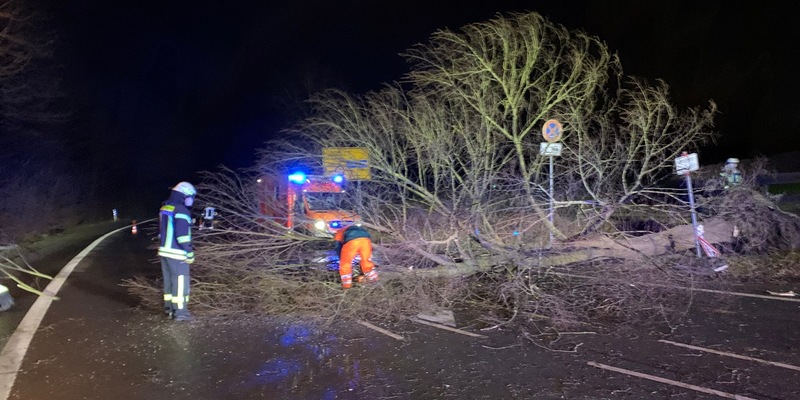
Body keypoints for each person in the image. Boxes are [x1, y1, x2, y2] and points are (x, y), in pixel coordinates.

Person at [158, 181, 197, 321]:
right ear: (184, 195)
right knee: (180, 282)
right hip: (177, 253)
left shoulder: (165, 207)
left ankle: (169, 309)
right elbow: (182, 235)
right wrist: (189, 252)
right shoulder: (181, 210)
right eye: (191, 196)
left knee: (169, 281)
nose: (191, 199)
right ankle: (181, 312)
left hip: (164, 252)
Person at [334, 224, 378, 290]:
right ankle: (374, 280)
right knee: (366, 261)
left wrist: (342, 258)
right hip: (366, 240)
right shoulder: (355, 227)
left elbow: (338, 248)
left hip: (352, 241)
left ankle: (346, 286)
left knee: (345, 264)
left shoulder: (338, 233)